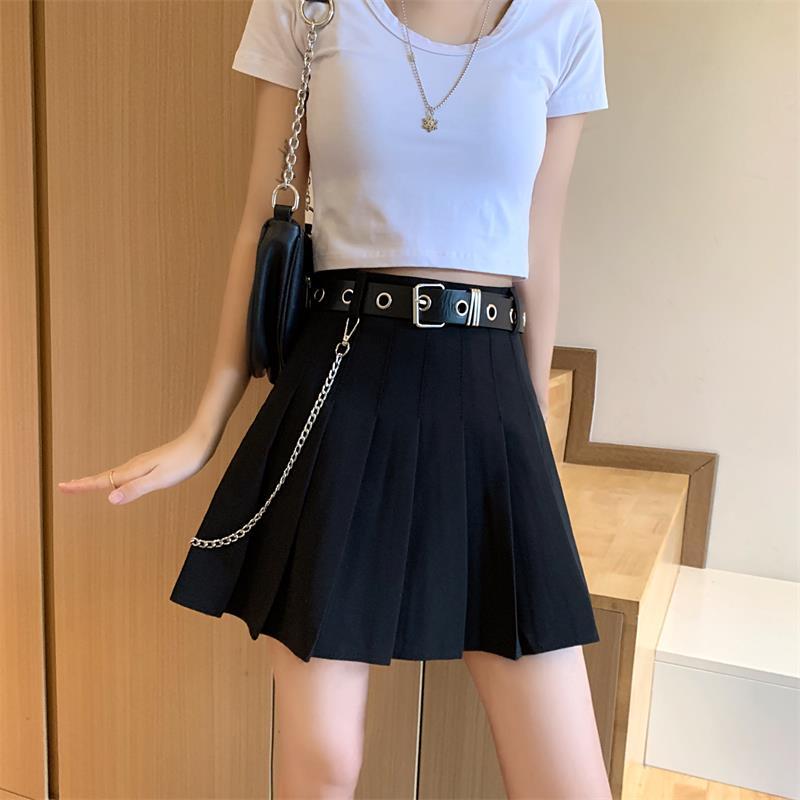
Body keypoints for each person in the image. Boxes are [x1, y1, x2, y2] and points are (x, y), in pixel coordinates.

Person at [59, 0, 612, 796]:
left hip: (490, 386)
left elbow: (541, 243)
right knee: (323, 760)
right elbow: (262, 219)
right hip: (344, 378)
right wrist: (204, 427)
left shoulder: (562, 18)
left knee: (568, 782)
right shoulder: (308, 6)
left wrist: (532, 436)